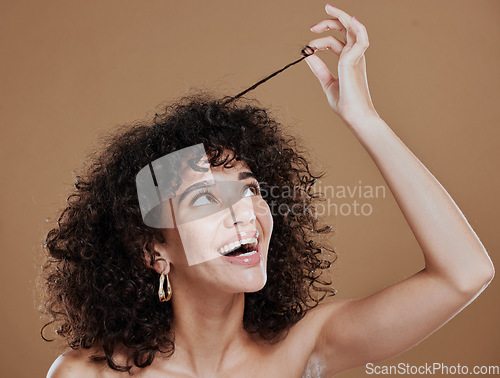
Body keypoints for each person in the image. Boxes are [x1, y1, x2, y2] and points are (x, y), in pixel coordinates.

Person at [44, 4, 494, 377]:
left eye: (249, 190)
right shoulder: (86, 374)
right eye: (204, 199)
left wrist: (366, 121)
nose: (244, 213)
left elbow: (465, 274)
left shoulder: (304, 349)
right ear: (154, 250)